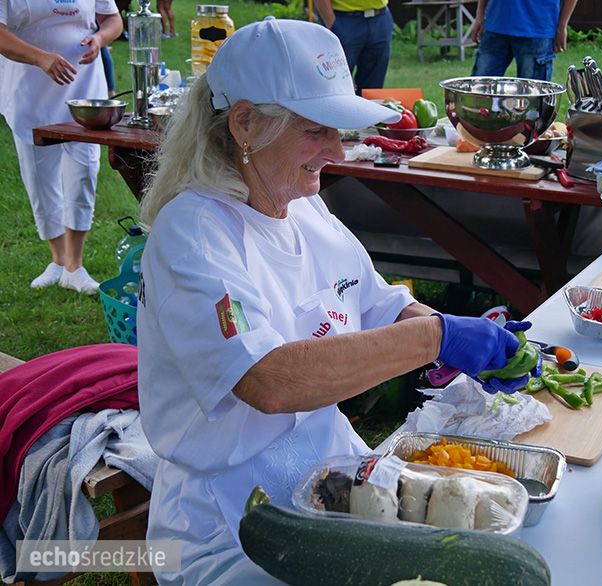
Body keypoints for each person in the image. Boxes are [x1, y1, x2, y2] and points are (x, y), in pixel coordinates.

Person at [137, 17, 541, 585]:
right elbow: (268, 382)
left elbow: (380, 305)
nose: (337, 149)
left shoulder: (301, 204)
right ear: (245, 123)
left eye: (338, 129)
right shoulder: (195, 234)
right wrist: (436, 337)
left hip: (334, 472)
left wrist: (461, 338)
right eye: (315, 130)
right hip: (230, 520)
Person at [0, 0, 123, 294]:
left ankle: (74, 266)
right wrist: (41, 58)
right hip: (29, 90)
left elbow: (113, 20)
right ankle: (58, 259)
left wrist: (100, 38)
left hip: (83, 90)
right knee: (40, 180)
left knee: (84, 173)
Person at [471, 0, 578, 81]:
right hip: (496, 24)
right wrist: (480, 13)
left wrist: (562, 25)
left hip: (536, 29)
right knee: (477, 97)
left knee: (532, 103)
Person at [312, 0, 393, 95]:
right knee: (336, 85)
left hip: (380, 17)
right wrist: (330, 22)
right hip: (344, 19)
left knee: (373, 89)